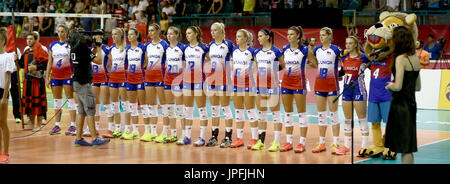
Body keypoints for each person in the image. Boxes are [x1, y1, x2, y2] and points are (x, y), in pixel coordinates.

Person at [385, 26, 421, 164]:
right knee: (408, 147)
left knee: (404, 148)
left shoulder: (400, 58)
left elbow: (398, 85)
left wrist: (389, 85)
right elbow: (418, 87)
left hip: (399, 106)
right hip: (411, 105)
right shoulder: (415, 58)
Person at [69, 29, 111, 147]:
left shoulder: (75, 49)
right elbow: (98, 60)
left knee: (81, 111)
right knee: (90, 109)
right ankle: (94, 138)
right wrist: (98, 47)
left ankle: (78, 138)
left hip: (77, 82)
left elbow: (89, 56)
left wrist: (95, 47)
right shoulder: (83, 49)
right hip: (84, 83)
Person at [279, 26, 315, 153]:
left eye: (292, 34)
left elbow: (315, 64)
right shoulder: (284, 49)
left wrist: (304, 68)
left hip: (299, 83)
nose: (289, 36)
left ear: (298, 36)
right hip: (286, 83)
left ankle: (302, 143)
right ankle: (288, 142)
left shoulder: (305, 50)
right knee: (288, 113)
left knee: (301, 113)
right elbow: (283, 65)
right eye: (288, 34)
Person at [308, 27, 342, 154]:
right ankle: (321, 143)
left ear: (329, 36)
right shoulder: (316, 50)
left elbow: (344, 60)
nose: (321, 37)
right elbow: (313, 63)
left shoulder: (336, 49)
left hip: (332, 85)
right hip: (319, 85)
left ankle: (336, 143)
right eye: (320, 35)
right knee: (321, 115)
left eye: (323, 35)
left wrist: (341, 73)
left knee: (334, 115)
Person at [335, 36, 370, 156]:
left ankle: (364, 147)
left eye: (350, 43)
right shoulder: (344, 58)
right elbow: (343, 72)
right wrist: (339, 75)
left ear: (356, 45)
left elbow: (374, 66)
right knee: (347, 119)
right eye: (346, 43)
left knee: (362, 119)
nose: (348, 45)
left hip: (359, 90)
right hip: (346, 91)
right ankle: (346, 146)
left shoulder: (363, 58)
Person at [251, 28, 283, 151]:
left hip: (273, 86)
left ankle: (276, 142)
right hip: (260, 86)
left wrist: (273, 72)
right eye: (258, 36)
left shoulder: (276, 51)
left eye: (260, 36)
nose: (258, 38)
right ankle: (261, 141)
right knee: (261, 114)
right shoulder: (257, 52)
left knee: (276, 114)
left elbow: (283, 65)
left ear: (268, 37)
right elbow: (256, 68)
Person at [204, 22, 234, 148]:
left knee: (225, 108)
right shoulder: (210, 45)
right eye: (211, 30)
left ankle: (228, 137)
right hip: (212, 79)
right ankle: (214, 136)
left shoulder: (228, 44)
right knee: (214, 109)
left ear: (222, 31)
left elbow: (236, 58)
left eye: (215, 30)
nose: (212, 32)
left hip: (224, 80)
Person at [178, 26, 209, 146]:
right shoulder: (185, 48)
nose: (187, 35)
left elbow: (212, 61)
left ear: (196, 34)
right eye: (186, 33)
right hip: (187, 81)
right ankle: (187, 136)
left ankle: (202, 137)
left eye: (189, 33)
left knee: (202, 110)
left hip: (199, 81)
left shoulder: (203, 47)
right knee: (187, 110)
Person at [45, 24, 78, 136]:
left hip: (67, 76)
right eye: (59, 31)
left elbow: (75, 61)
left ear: (67, 32)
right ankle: (57, 125)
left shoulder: (71, 45)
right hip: (55, 76)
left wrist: (75, 73)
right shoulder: (53, 45)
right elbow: (50, 62)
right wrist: (47, 78)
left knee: (70, 100)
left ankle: (73, 125)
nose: (60, 33)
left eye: (63, 31)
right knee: (57, 101)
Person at [230, 29, 257, 148]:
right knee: (238, 111)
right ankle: (239, 138)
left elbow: (258, 66)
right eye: (236, 36)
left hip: (248, 84)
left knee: (251, 111)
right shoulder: (234, 50)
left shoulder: (252, 51)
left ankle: (254, 138)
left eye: (239, 36)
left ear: (246, 39)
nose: (237, 38)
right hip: (236, 84)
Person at [142, 24, 169, 143]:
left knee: (164, 106)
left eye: (152, 30)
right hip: (149, 77)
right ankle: (152, 133)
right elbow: (146, 62)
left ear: (158, 31)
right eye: (149, 31)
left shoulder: (164, 45)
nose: (150, 33)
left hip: (160, 78)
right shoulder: (147, 46)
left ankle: (164, 133)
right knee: (151, 105)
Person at [102, 28, 130, 138]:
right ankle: (117, 129)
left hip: (123, 78)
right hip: (113, 78)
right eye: (112, 34)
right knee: (115, 105)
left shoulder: (127, 49)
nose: (113, 37)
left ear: (121, 35)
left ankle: (127, 129)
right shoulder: (111, 49)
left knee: (125, 104)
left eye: (115, 34)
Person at [19, 32, 48, 132]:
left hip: (37, 81)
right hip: (28, 81)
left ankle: (39, 124)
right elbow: (22, 64)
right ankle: (31, 123)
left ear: (35, 40)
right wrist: (16, 60)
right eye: (27, 39)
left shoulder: (40, 50)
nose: (29, 41)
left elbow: (46, 64)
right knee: (29, 104)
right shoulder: (26, 52)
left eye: (31, 39)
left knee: (38, 104)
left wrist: (36, 67)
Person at [83, 31, 110, 137]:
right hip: (94, 79)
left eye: (99, 36)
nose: (96, 37)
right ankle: (96, 128)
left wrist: (110, 69)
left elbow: (113, 62)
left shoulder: (106, 48)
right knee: (95, 104)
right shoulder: (90, 49)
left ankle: (112, 128)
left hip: (104, 78)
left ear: (102, 37)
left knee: (106, 104)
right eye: (95, 35)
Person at [122, 28, 146, 140]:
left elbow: (147, 59)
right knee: (132, 106)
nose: (130, 37)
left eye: (132, 34)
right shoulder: (127, 49)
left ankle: (148, 131)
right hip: (130, 79)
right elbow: (125, 63)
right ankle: (135, 131)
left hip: (141, 79)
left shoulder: (142, 47)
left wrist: (144, 67)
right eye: (129, 35)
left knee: (145, 106)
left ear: (136, 35)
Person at [164, 26, 186, 143]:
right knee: (170, 108)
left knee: (180, 109)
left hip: (179, 81)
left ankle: (184, 135)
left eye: (172, 34)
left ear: (177, 35)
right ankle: (173, 134)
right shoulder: (166, 48)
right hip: (168, 80)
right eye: (168, 34)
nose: (169, 36)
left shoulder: (183, 48)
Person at [0, 27, 15, 163]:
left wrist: (4, 97)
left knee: (3, 123)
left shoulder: (8, 57)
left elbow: (8, 79)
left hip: (2, 91)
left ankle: (6, 153)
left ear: (3, 41)